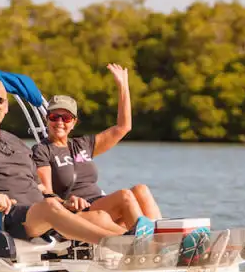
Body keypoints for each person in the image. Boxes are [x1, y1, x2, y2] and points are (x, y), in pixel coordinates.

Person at [0, 76, 137, 246]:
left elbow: (39, 186)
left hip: (40, 214)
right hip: (2, 218)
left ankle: (145, 245)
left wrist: (65, 202)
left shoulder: (16, 142)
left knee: (99, 216)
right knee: (48, 207)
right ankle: (120, 246)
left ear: (6, 107)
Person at [31, 63, 162, 233]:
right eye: (54, 117)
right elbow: (47, 194)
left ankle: (164, 239)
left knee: (141, 189)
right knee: (124, 196)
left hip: (101, 203)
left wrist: (123, 87)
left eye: (66, 118)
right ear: (47, 119)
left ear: (74, 122)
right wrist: (67, 203)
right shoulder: (42, 150)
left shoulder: (82, 145)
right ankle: (150, 245)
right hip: (78, 210)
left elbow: (123, 127)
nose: (60, 122)